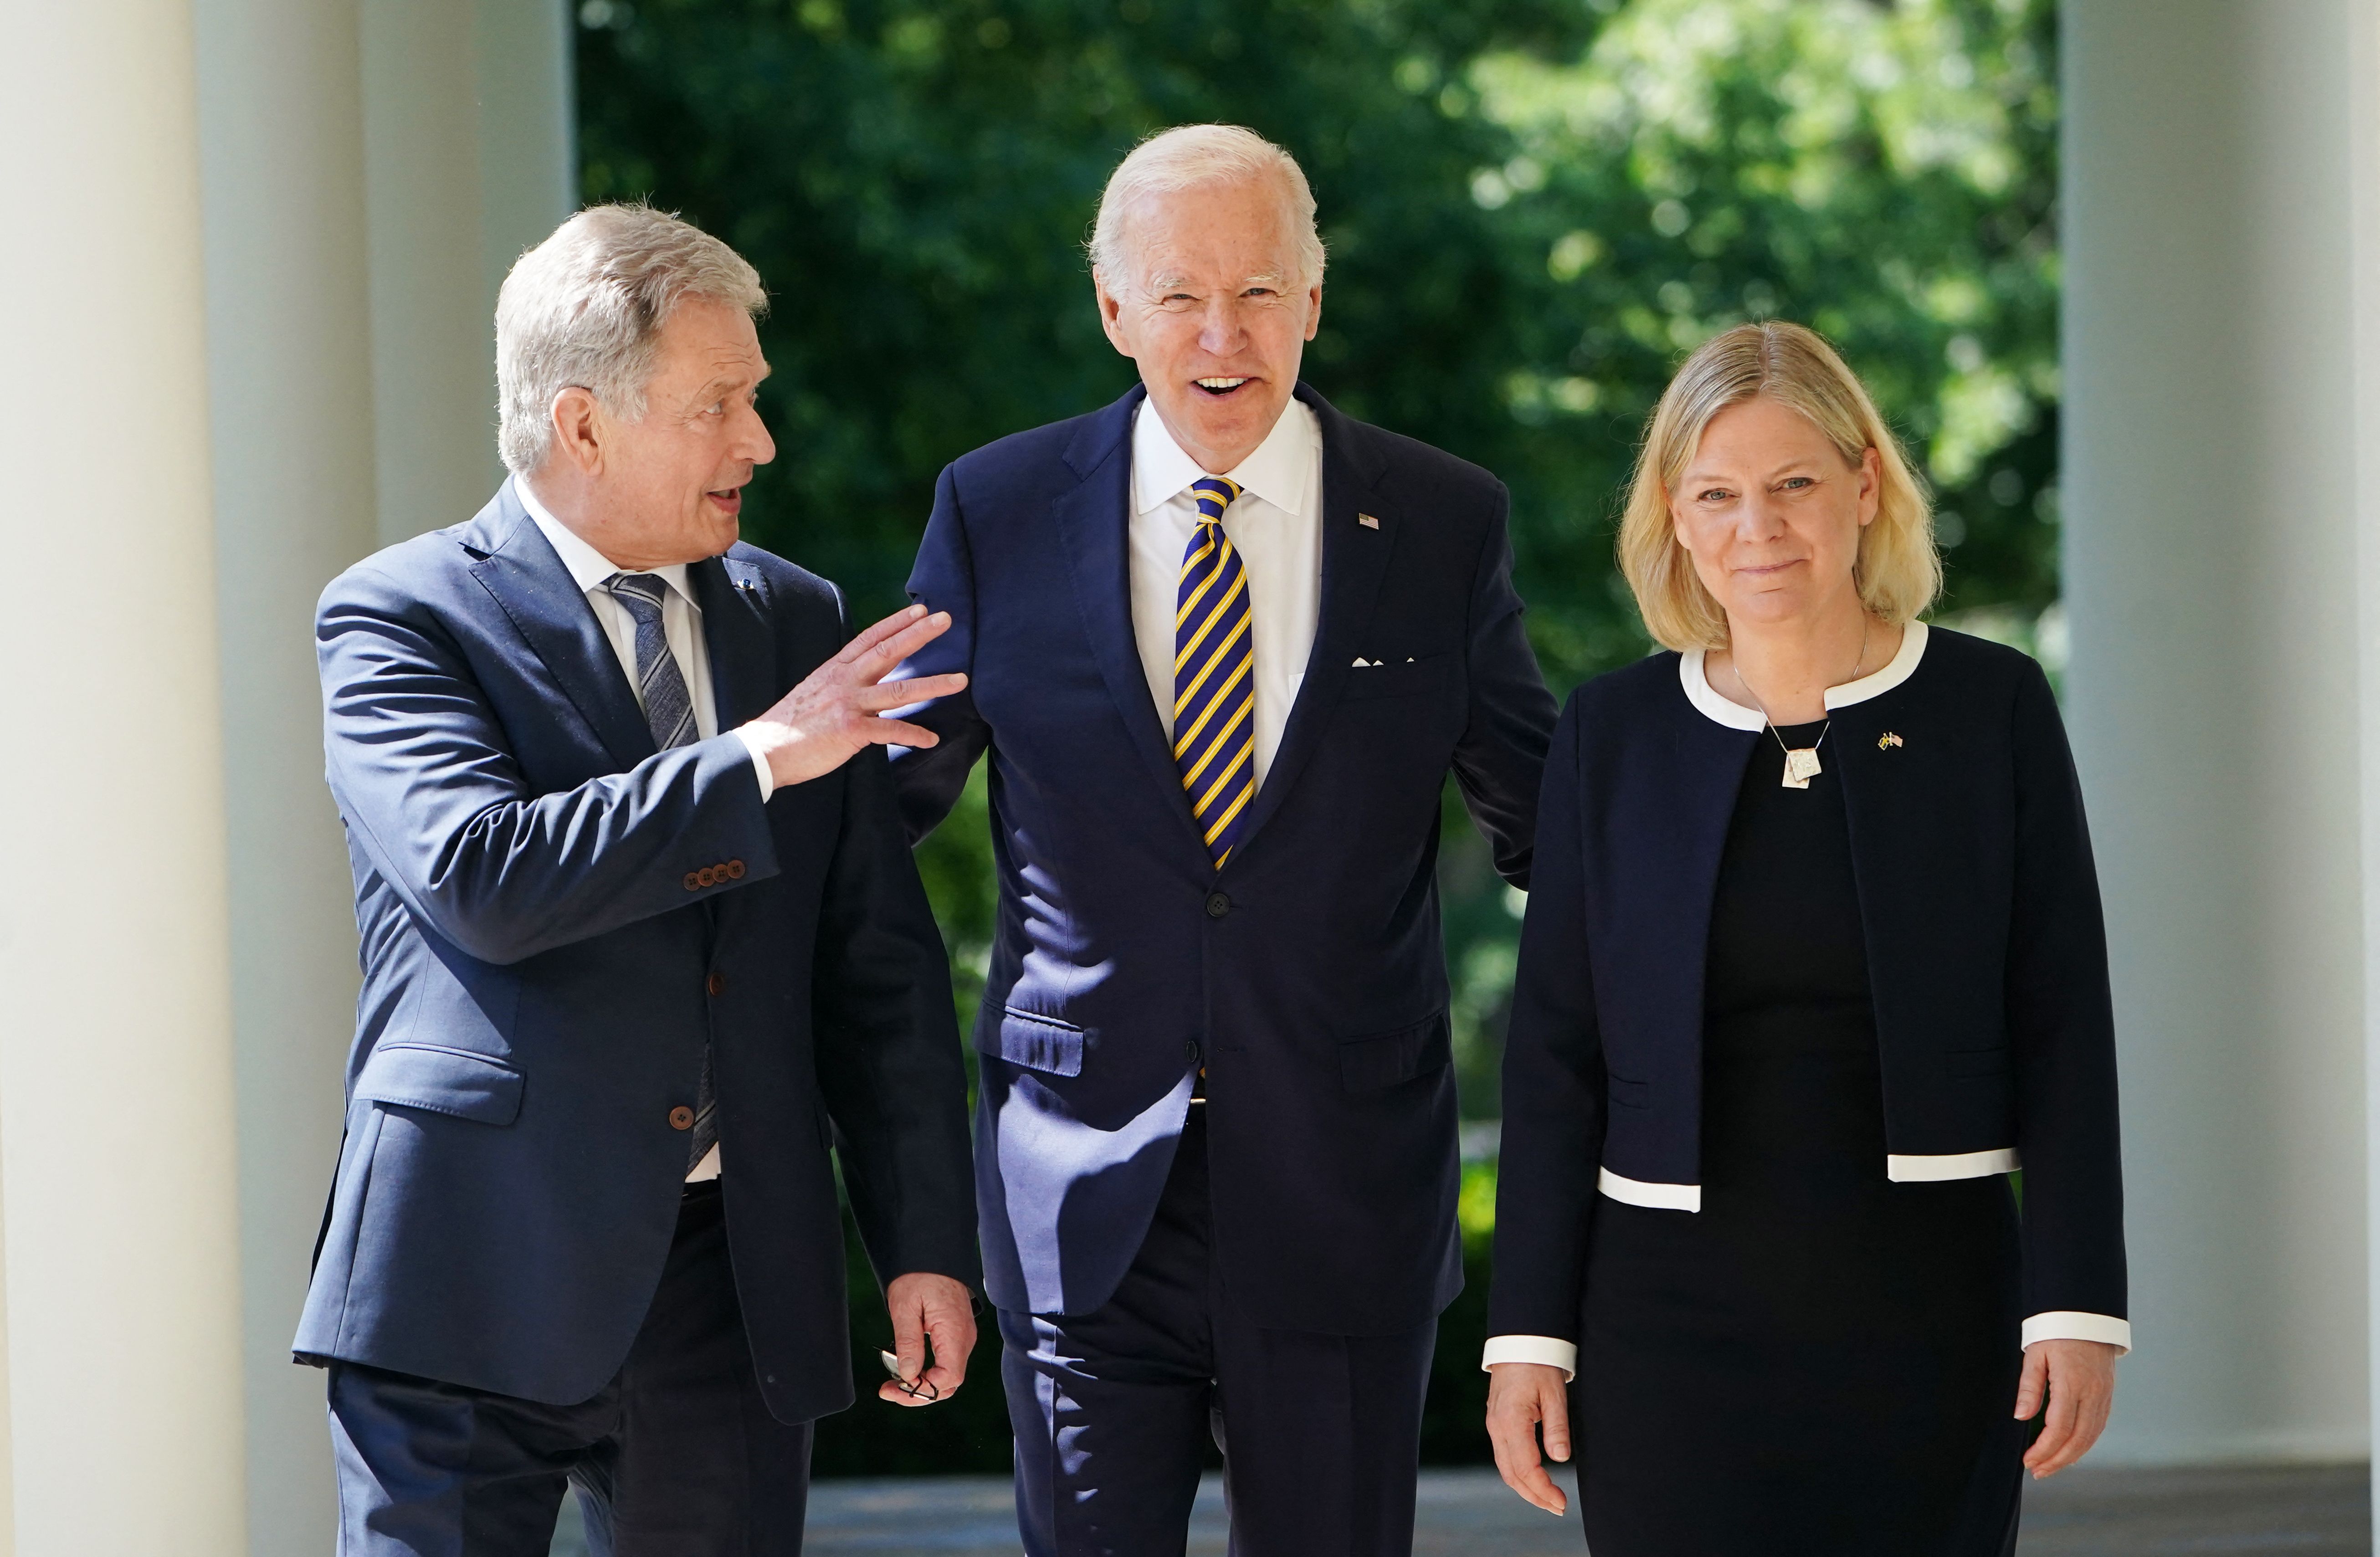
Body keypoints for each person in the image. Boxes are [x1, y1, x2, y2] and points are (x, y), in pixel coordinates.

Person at [889, 125, 1557, 1556]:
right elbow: (872, 833)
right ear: (1112, 309)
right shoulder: (994, 512)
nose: (1221, 334)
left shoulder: (1441, 521)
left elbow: (1551, 830)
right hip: (1077, 1191)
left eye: (1259, 291)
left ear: (1314, 300)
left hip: (1345, 1194)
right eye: (1179, 294)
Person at [296, 203, 980, 1554]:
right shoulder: (399, 615)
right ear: (584, 425)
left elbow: (874, 966)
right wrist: (758, 760)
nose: (759, 441)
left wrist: (923, 1240)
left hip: (732, 1288)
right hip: (469, 1269)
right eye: (717, 404)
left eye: (754, 398)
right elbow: (485, 874)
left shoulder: (796, 620)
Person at [1481, 321, 2128, 1555]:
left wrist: (2078, 1304)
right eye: (1717, 495)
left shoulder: (1989, 707)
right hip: (1663, 1328)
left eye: (1793, 485)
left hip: (1931, 1312)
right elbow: (1555, 1053)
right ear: (1675, 518)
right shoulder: (1612, 734)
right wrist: (1527, 1337)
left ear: (1865, 486)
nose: (1758, 528)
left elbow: (2063, 1020)